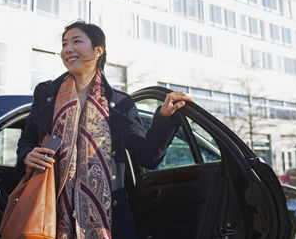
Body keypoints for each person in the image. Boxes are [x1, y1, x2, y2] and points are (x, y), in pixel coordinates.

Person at [15, 21, 193, 239]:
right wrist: (27, 155)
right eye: (64, 44)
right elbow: (27, 140)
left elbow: (148, 156)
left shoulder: (120, 103)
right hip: (50, 211)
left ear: (98, 50)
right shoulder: (46, 94)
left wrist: (164, 117)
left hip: (109, 219)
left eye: (76, 41)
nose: (67, 49)